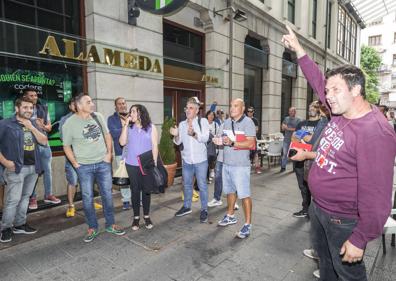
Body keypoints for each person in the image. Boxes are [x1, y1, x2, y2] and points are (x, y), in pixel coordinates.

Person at [282, 25, 396, 280]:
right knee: (327, 269)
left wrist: (360, 238)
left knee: (348, 275)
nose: (327, 96)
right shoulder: (339, 111)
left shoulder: (375, 132)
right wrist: (300, 50)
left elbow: (378, 197)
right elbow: (317, 80)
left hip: (342, 221)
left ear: (356, 90)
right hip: (320, 210)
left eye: (335, 90)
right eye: (328, 91)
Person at [62, 93, 125, 242]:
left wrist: (109, 154)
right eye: (88, 102)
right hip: (84, 167)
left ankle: (111, 224)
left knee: (107, 195)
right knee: (87, 197)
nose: (92, 104)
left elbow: (107, 135)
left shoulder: (98, 117)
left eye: (91, 101)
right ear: (79, 105)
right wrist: (76, 164)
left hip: (103, 163)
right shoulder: (69, 124)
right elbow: (66, 146)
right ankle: (92, 227)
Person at [0, 97, 48, 243]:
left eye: (31, 108)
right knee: (13, 200)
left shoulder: (33, 123)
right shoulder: (6, 124)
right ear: (17, 108)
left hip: (33, 167)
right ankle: (5, 228)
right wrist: (5, 162)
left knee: (25, 197)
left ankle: (20, 224)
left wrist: (32, 127)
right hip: (16, 168)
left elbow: (44, 141)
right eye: (25, 107)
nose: (29, 110)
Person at [214, 98, 256, 239]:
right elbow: (222, 139)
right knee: (230, 192)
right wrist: (219, 140)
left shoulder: (248, 122)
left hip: (241, 166)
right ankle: (230, 215)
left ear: (242, 108)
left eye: (235, 106)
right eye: (231, 106)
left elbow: (250, 143)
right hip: (227, 163)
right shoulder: (226, 122)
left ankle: (248, 224)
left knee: (244, 195)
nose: (232, 108)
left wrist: (232, 142)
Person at [59, 98, 102, 218]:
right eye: (73, 104)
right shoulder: (66, 120)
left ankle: (90, 202)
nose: (76, 106)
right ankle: (71, 206)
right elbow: (65, 139)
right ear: (71, 106)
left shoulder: (89, 117)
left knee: (89, 181)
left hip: (88, 157)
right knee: (73, 182)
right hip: (73, 157)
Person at [170, 97, 210, 223]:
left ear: (197, 111)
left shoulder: (202, 122)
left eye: (191, 108)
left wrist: (194, 134)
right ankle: (187, 207)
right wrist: (176, 135)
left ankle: (204, 209)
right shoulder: (182, 124)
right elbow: (178, 142)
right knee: (187, 185)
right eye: (186, 108)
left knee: (202, 186)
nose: (188, 110)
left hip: (200, 160)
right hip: (187, 160)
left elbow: (205, 138)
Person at [119, 104, 158, 230]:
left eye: (134, 112)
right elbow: (122, 142)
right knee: (134, 191)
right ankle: (136, 218)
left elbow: (154, 146)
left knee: (146, 191)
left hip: (146, 165)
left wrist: (155, 163)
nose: (131, 114)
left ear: (141, 113)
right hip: (131, 164)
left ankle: (146, 216)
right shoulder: (129, 127)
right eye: (131, 112)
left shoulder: (151, 127)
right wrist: (125, 124)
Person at [24, 88, 61, 209]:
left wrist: (43, 126)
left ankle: (48, 195)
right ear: (25, 97)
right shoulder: (22, 109)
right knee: (33, 171)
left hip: (44, 144)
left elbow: (49, 128)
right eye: (31, 95)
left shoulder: (43, 108)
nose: (34, 97)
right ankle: (32, 198)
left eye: (35, 95)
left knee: (48, 170)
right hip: (30, 145)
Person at [291, 101, 322, 218]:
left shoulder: (322, 124)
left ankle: (316, 211)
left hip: (313, 161)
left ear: (319, 109)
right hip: (300, 160)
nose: (311, 108)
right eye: (309, 106)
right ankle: (305, 209)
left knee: (315, 187)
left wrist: (304, 136)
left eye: (314, 106)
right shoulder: (301, 123)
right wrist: (300, 139)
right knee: (302, 187)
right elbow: (294, 138)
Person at [108, 97, 132, 210]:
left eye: (124, 103)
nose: (122, 105)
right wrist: (125, 126)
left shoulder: (132, 116)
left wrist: (126, 126)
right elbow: (114, 134)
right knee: (124, 176)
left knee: (136, 176)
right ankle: (126, 200)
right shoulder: (111, 119)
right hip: (120, 153)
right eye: (119, 104)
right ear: (115, 106)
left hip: (134, 151)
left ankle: (139, 198)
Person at [280, 107, 301, 172]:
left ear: (295, 112)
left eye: (292, 111)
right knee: (284, 154)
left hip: (294, 140)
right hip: (286, 139)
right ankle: (283, 167)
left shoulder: (298, 120)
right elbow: (283, 128)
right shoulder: (286, 118)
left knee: (294, 154)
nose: (290, 112)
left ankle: (294, 168)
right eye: (289, 111)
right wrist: (283, 127)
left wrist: (288, 128)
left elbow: (297, 129)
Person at [246, 106, 262, 174]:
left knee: (255, 154)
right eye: (248, 111)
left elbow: (256, 130)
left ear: (253, 112)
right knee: (246, 153)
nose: (249, 113)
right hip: (245, 139)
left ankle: (257, 168)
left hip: (252, 139)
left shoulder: (255, 120)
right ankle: (247, 168)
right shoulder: (244, 119)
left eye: (251, 111)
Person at [206, 110, 218, 183]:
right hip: (205, 144)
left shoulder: (216, 124)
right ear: (207, 115)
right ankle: (207, 177)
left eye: (212, 115)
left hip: (213, 144)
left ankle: (211, 171)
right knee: (206, 161)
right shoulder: (204, 123)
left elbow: (219, 133)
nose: (211, 116)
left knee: (211, 159)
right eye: (209, 114)